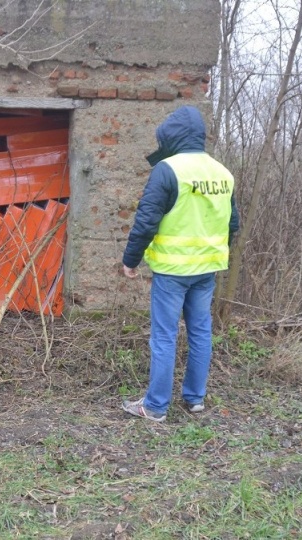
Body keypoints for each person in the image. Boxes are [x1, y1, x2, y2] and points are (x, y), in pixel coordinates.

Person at [120, 105, 239, 423]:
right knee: (201, 332)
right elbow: (233, 224)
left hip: (172, 271)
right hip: (207, 269)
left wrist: (130, 260)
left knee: (164, 335)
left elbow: (146, 221)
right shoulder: (222, 173)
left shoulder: (168, 170)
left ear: (171, 137)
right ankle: (195, 399)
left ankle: (155, 406)